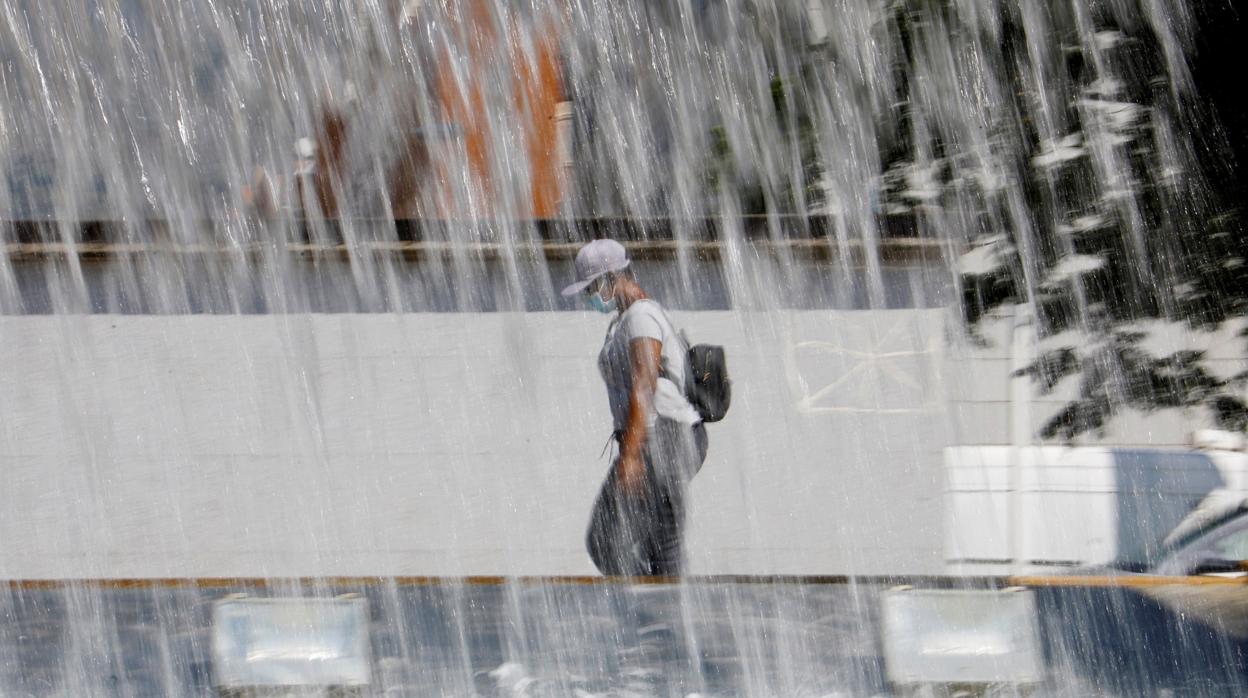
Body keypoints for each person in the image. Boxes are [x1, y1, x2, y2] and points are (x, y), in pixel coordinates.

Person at [562, 239, 708, 576]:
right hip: (659, 440)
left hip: (665, 440)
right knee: (655, 541)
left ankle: (661, 610)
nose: (589, 297)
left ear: (613, 278)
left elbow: (645, 383)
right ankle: (662, 610)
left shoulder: (641, 316)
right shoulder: (628, 318)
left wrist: (630, 457)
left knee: (609, 540)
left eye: (592, 287)